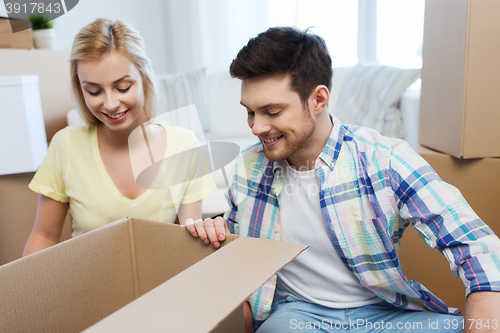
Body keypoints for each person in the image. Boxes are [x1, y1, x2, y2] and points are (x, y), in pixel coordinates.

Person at [185, 27, 500, 332]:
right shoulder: (248, 167)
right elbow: (239, 258)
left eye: (272, 111)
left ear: (318, 100)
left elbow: (475, 245)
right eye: (250, 112)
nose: (256, 128)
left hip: (384, 315)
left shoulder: (384, 158)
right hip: (297, 316)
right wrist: (217, 236)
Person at [23, 18, 216, 256]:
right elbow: (44, 236)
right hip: (89, 286)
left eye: (123, 87)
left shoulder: (184, 145)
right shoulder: (66, 146)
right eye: (94, 91)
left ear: (145, 79)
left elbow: (187, 241)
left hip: (161, 286)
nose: (111, 104)